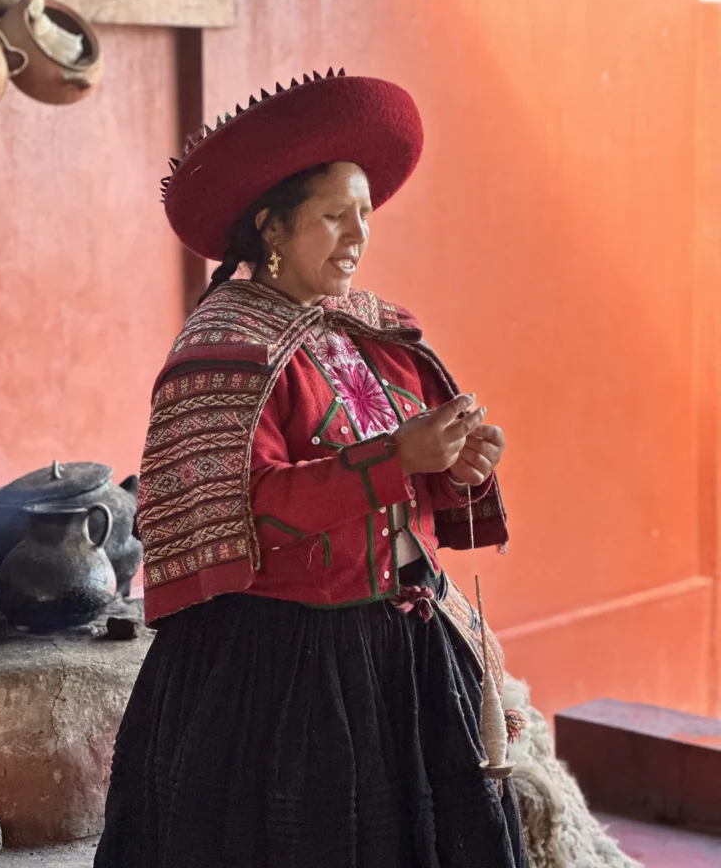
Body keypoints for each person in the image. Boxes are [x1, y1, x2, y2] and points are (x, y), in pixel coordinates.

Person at [94, 69, 526, 868]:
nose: (359, 236)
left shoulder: (371, 336)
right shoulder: (220, 353)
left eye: (364, 214)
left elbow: (402, 493)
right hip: (285, 669)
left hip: (402, 652)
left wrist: (452, 469)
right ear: (272, 229)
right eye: (333, 216)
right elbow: (246, 509)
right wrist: (399, 458)